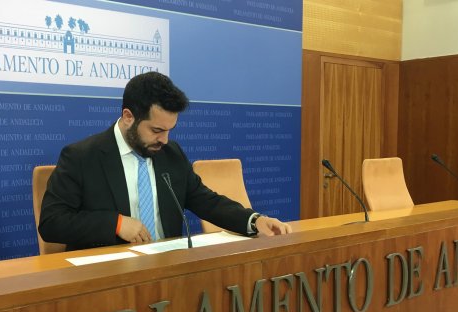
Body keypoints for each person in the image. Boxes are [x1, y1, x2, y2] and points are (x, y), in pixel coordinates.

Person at [39, 72, 291, 251]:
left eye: (170, 130)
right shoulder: (82, 156)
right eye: (157, 130)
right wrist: (114, 223)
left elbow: (206, 200)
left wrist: (254, 220)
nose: (165, 140)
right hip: (107, 278)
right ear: (128, 117)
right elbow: (52, 223)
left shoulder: (171, 154)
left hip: (167, 273)